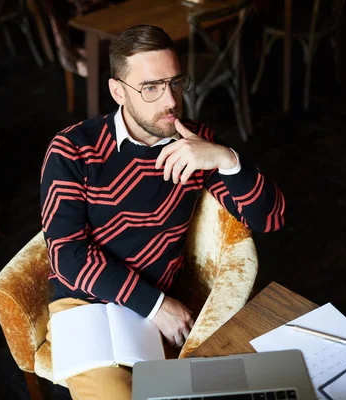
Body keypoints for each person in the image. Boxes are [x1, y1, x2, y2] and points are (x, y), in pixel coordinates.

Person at [40, 24, 285, 400]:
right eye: (151, 87)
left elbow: (270, 218)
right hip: (86, 304)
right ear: (118, 91)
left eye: (175, 83)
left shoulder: (193, 141)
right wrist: (155, 306)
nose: (170, 100)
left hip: (156, 307)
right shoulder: (74, 149)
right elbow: (66, 255)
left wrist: (226, 159)